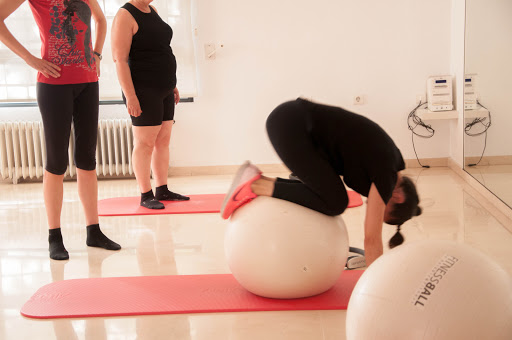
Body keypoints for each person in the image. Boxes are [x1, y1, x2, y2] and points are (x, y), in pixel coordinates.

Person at [221, 98, 422, 266]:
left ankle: (261, 180)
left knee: (331, 194)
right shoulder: (386, 174)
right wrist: (376, 282)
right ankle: (255, 184)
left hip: (292, 122)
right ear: (397, 196)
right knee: (336, 201)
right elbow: (371, 238)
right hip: (291, 126)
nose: (373, 208)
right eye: (383, 212)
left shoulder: (389, 162)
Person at [0, 0, 121, 260]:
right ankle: (54, 236)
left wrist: (97, 54)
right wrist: (30, 59)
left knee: (87, 160)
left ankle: (93, 230)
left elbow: (100, 20)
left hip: (88, 83)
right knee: (56, 162)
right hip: (54, 85)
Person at [111, 0, 189, 210]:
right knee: (144, 144)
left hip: (164, 88)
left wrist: (171, 85)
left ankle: (161, 189)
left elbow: (161, 49)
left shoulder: (151, 10)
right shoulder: (125, 15)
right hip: (143, 90)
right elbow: (119, 59)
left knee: (163, 140)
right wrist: (130, 96)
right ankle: (145, 194)